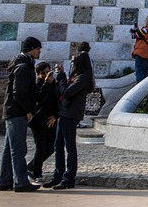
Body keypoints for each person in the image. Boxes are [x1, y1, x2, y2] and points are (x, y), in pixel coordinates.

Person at [45, 46, 94, 190]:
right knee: (58, 146)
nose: (71, 64)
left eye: (73, 62)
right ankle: (58, 176)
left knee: (69, 146)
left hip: (70, 115)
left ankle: (68, 178)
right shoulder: (78, 77)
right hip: (65, 113)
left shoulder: (83, 78)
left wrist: (60, 77)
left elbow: (66, 93)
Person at [0, 36, 42, 192]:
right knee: (18, 149)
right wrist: (28, 110)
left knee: (9, 148)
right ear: (30, 49)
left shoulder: (22, 64)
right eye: (37, 48)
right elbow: (20, 92)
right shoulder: (23, 67)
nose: (39, 51)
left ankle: (5, 181)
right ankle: (21, 182)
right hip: (17, 112)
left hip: (12, 111)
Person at [27, 62, 59, 183]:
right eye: (43, 73)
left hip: (50, 120)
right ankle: (37, 173)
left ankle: (30, 168)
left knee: (50, 147)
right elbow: (39, 100)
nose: (46, 75)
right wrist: (46, 83)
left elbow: (56, 101)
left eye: (47, 72)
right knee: (40, 147)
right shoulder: (36, 85)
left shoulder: (53, 85)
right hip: (38, 121)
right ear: (38, 75)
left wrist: (55, 116)